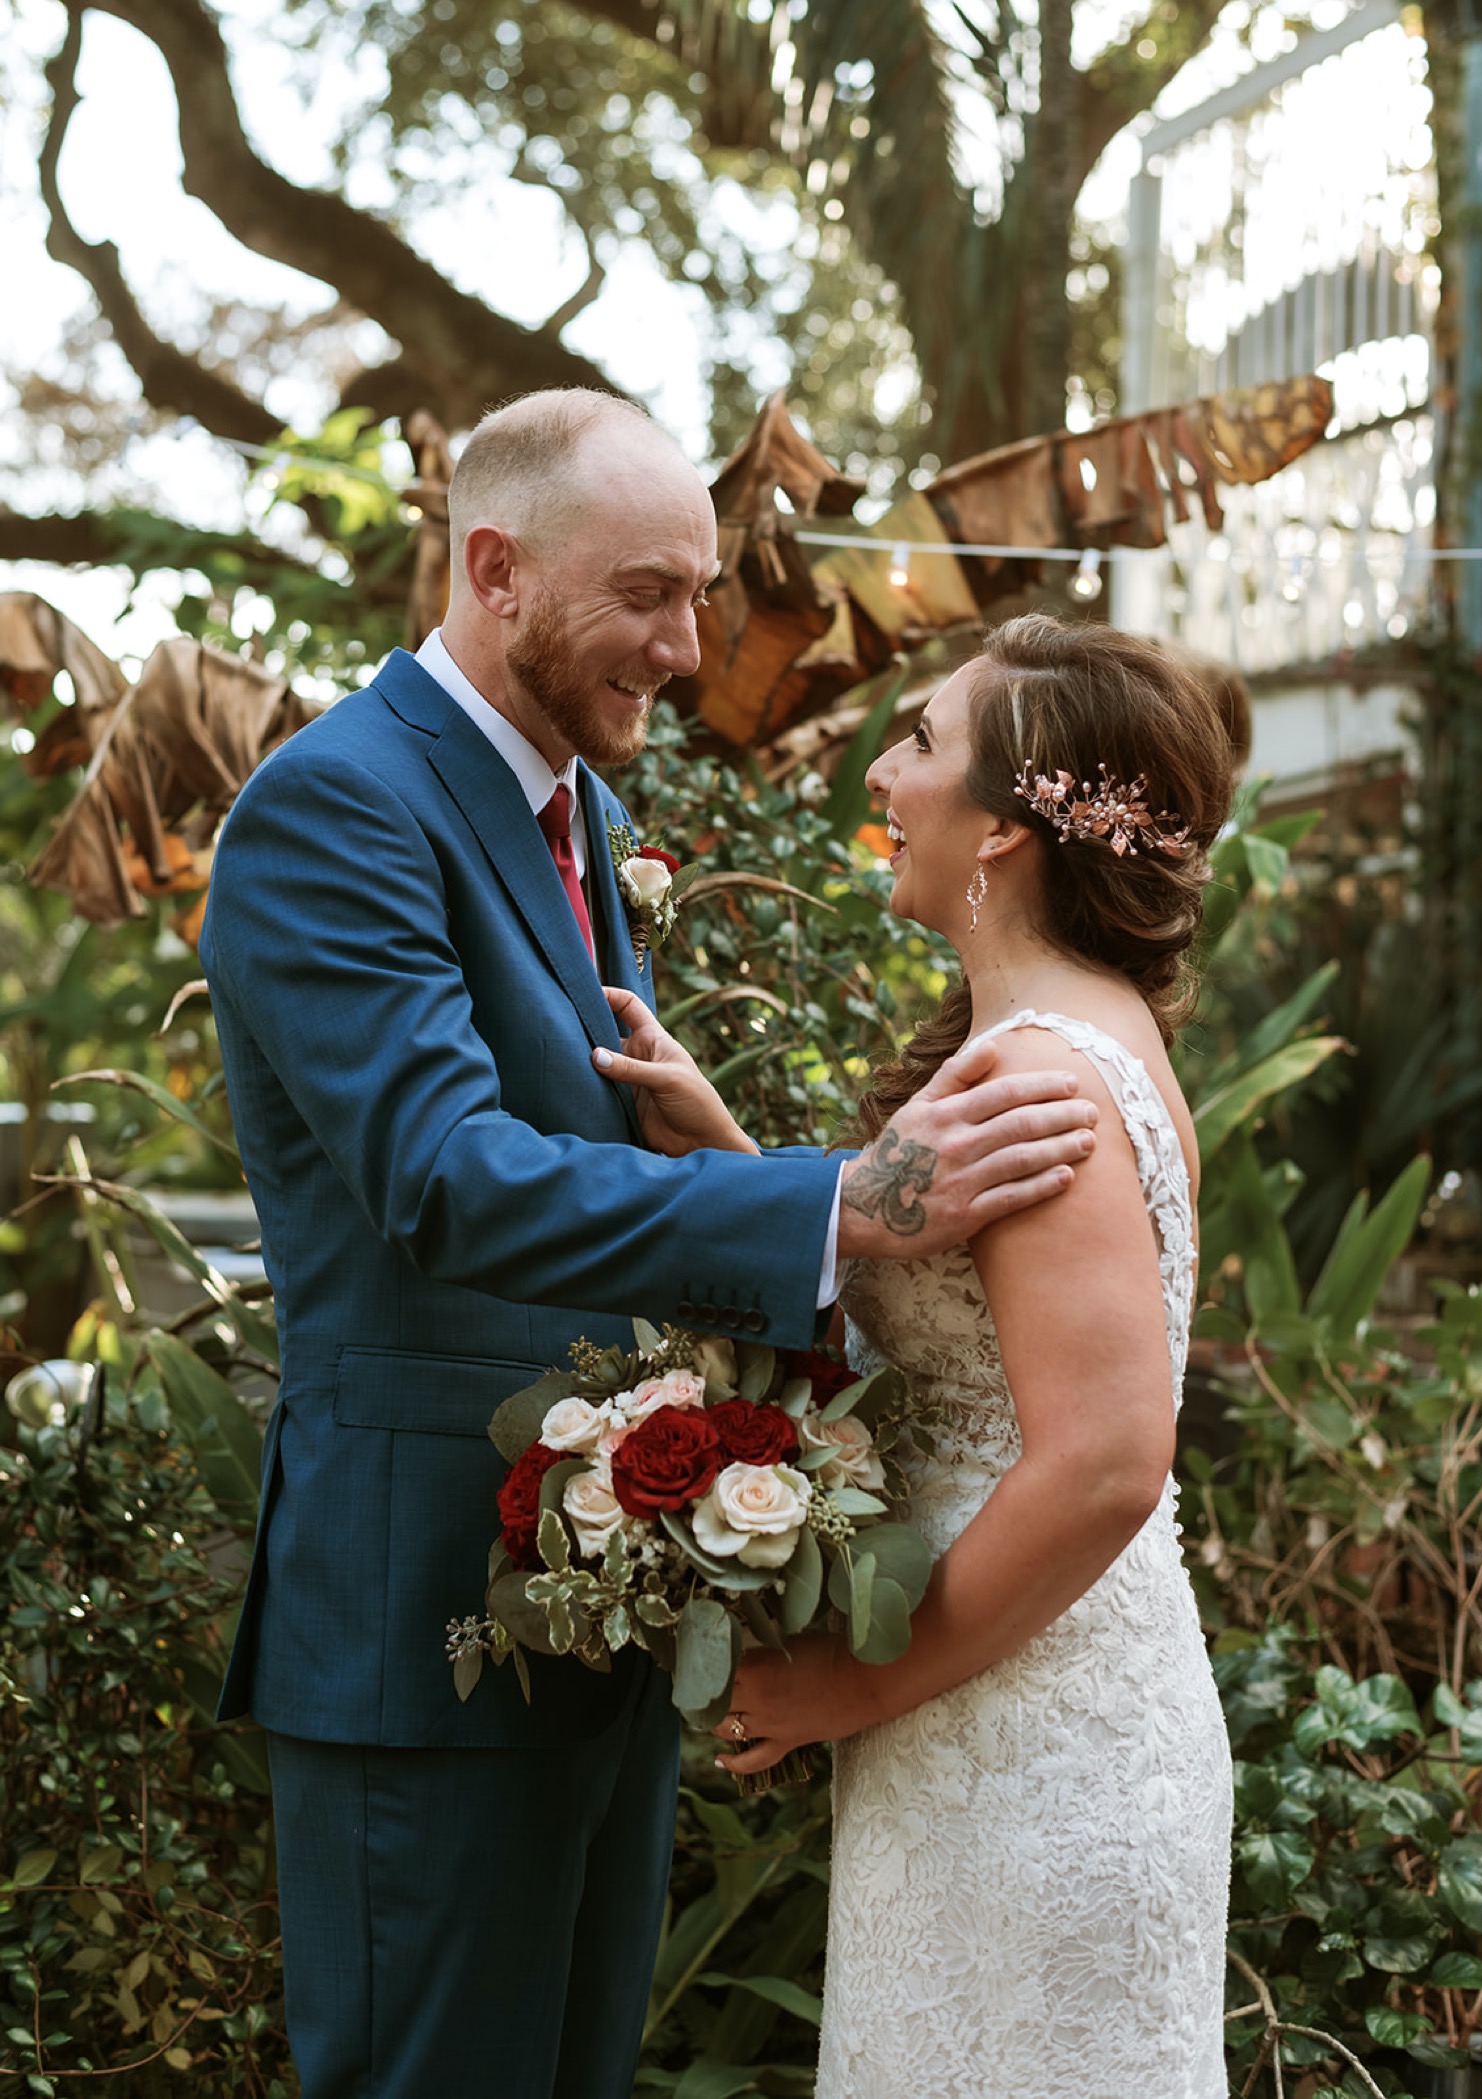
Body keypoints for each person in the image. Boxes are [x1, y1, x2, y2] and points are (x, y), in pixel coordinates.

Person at [198, 390, 1100, 2099]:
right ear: (495, 571)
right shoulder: (339, 810)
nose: (687, 647)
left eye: (697, 594)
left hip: (593, 1602)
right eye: (647, 597)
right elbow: (452, 1180)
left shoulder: (573, 815)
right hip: (422, 1626)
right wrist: (837, 1203)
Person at [606, 612, 1237, 2098]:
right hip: (1008, 1720)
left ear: (1009, 830)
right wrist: (745, 1170)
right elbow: (970, 1356)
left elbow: (1101, 1463)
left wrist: (852, 1689)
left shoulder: (1042, 1073)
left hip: (1026, 1750)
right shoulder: (1085, 1036)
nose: (884, 771)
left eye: (925, 741)